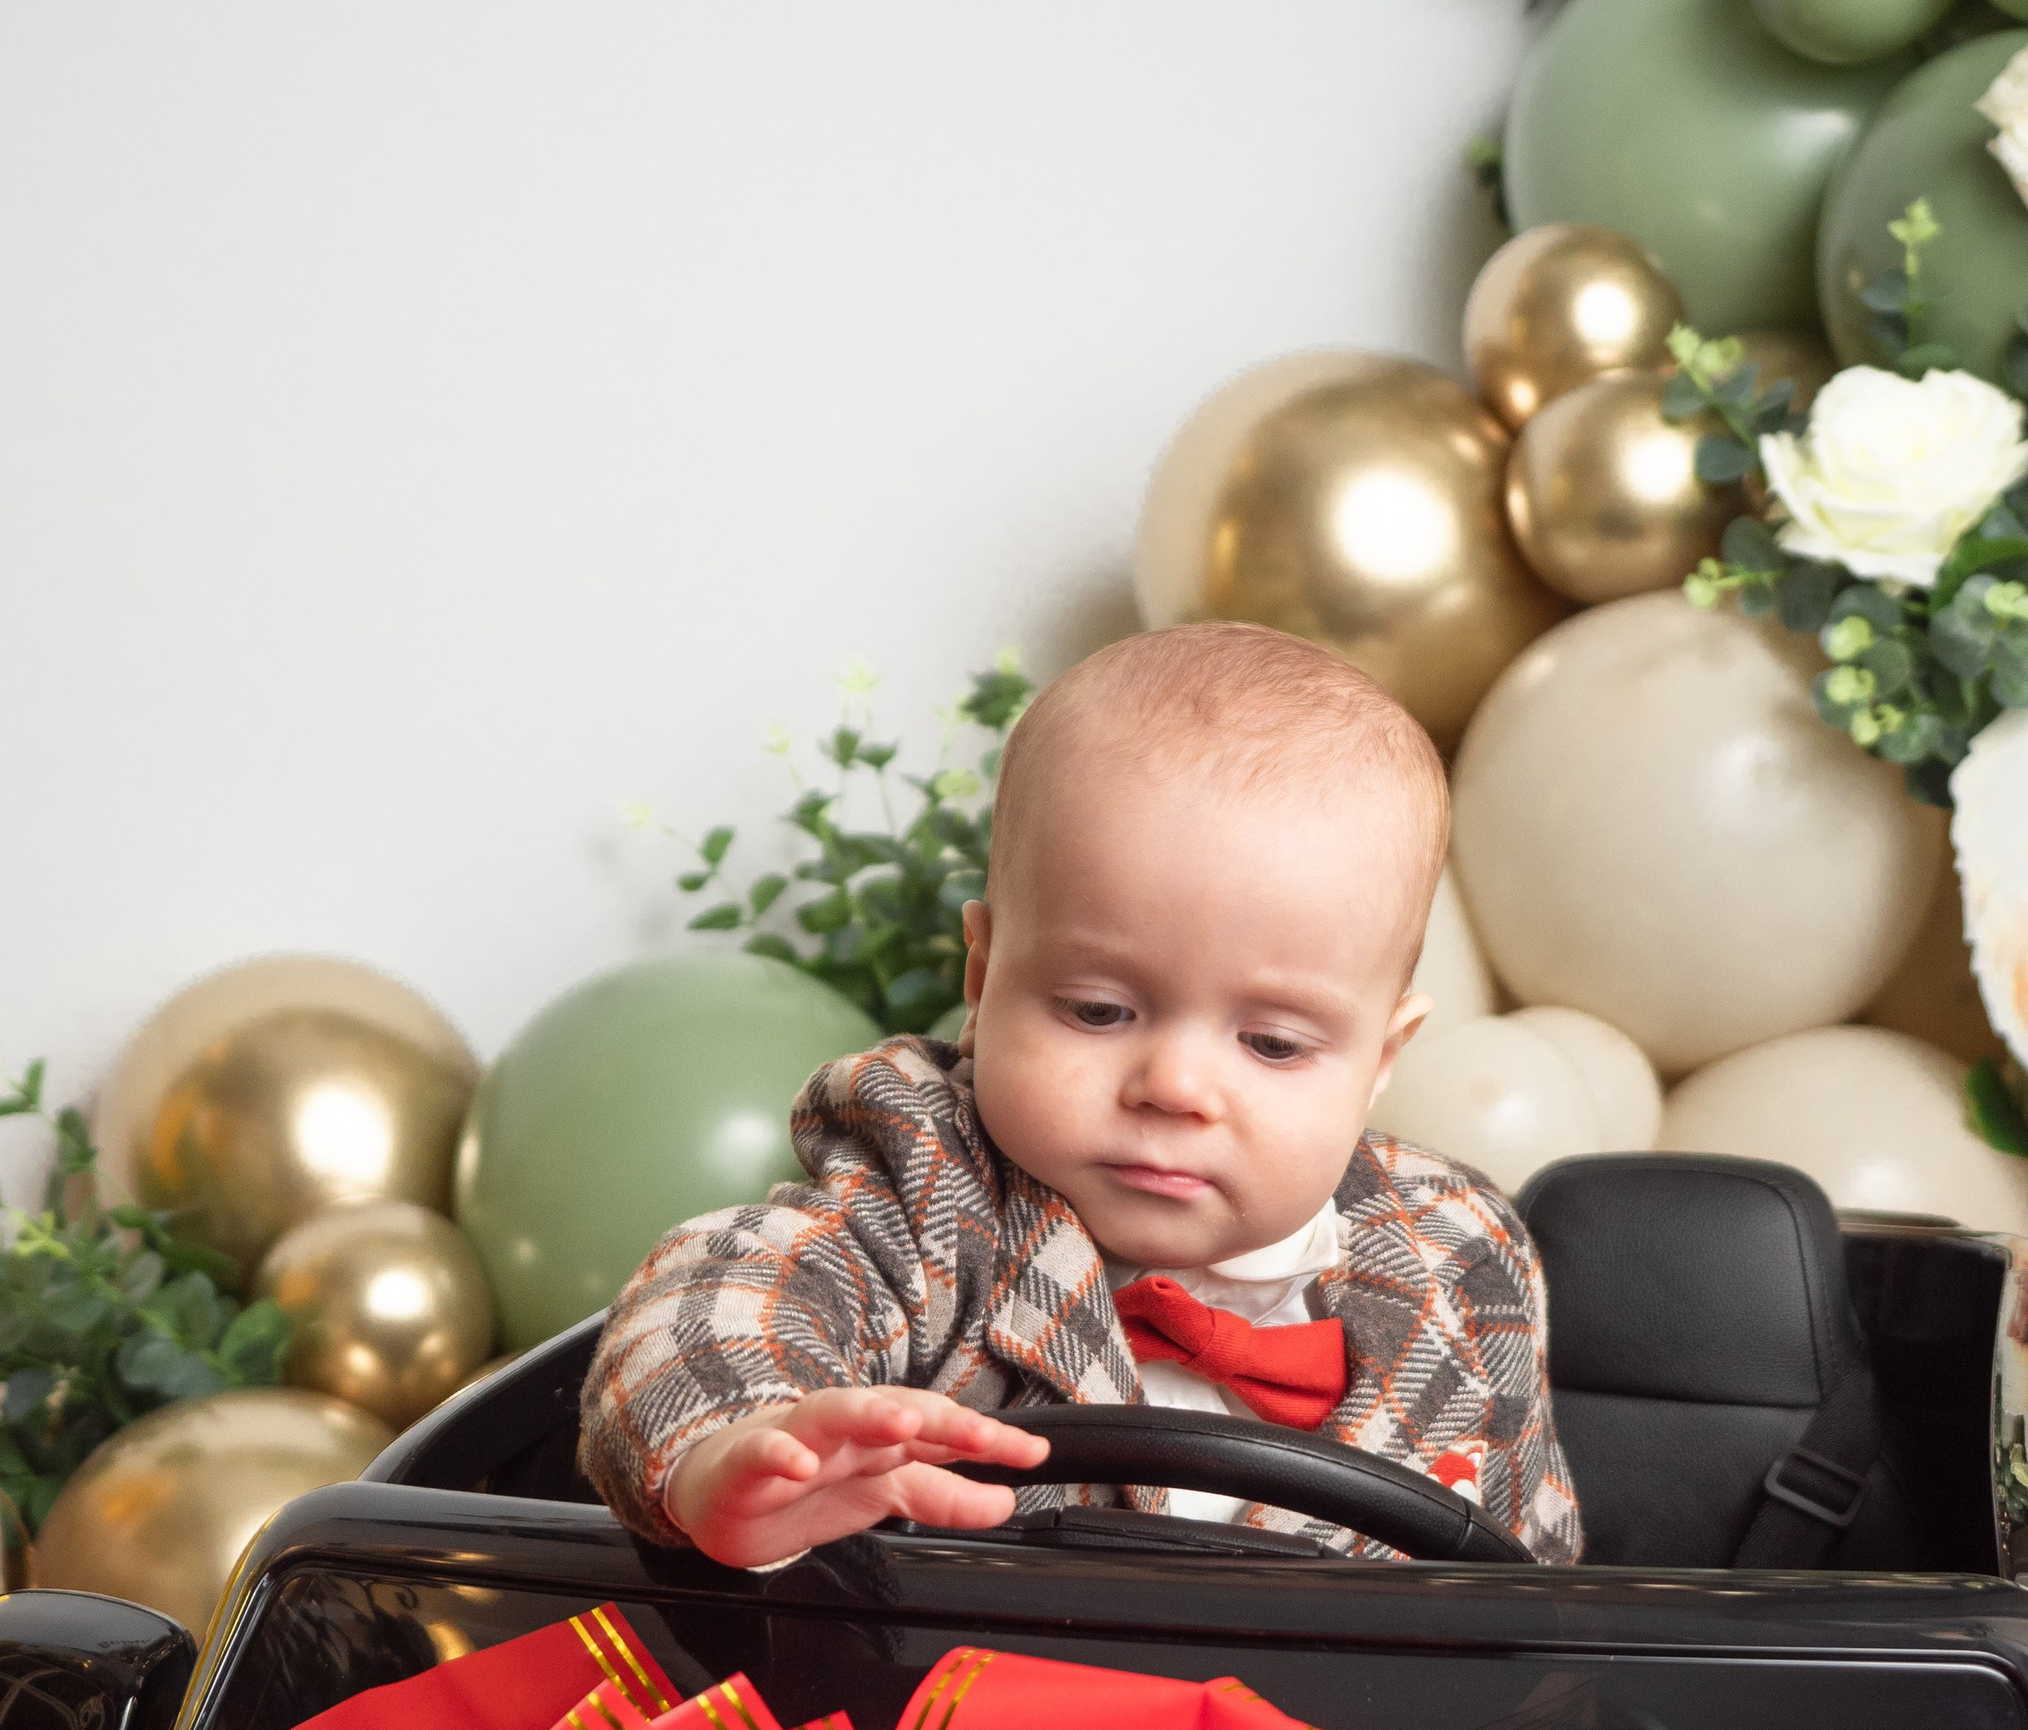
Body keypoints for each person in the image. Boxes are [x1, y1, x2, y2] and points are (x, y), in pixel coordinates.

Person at [580, 622, 1579, 1566]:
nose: (1175, 1087)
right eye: (1098, 1011)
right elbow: (718, 1296)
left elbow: (1533, 1569)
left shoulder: (1461, 1261)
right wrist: (741, 1441)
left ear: (1381, 1057)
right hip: (953, 1685)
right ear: (983, 980)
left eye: (1272, 1043)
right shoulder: (925, 1201)